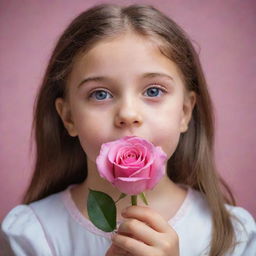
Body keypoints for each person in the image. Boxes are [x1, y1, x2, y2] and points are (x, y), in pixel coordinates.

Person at [1, 3, 255, 256]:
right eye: (100, 94)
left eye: (153, 91)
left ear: (185, 112)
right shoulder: (32, 234)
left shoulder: (235, 234)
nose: (128, 114)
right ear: (68, 117)